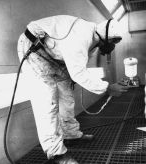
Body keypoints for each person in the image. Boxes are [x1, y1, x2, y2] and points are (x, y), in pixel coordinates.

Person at [17, 15, 129, 164]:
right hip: (35, 49)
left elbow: (79, 66)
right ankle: (56, 153)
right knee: (47, 103)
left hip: (54, 56)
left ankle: (71, 135)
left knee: (67, 96)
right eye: (113, 41)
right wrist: (108, 88)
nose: (113, 45)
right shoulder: (81, 36)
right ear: (105, 36)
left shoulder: (93, 40)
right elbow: (78, 73)